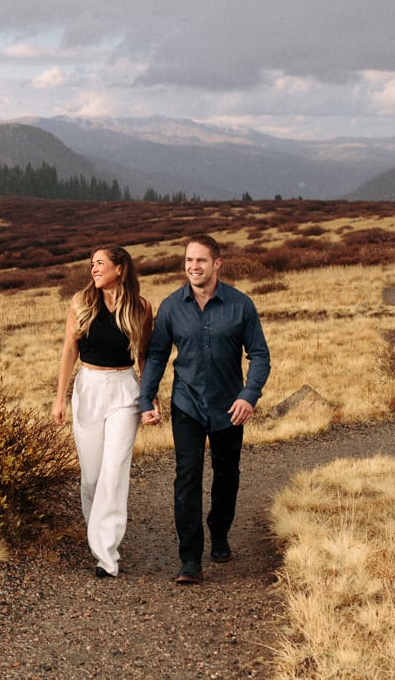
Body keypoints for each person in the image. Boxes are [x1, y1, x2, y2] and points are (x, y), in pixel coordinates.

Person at [139, 234, 270, 585]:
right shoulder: (171, 307)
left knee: (227, 475)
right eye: (188, 261)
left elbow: (259, 355)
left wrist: (249, 394)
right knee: (187, 477)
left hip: (230, 407)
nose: (193, 267)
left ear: (217, 264)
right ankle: (190, 559)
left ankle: (220, 531)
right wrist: (145, 399)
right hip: (187, 404)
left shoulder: (240, 305)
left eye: (200, 261)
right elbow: (156, 356)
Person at [53, 245, 154, 578]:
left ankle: (106, 554)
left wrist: (149, 399)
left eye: (100, 263)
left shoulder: (141, 307)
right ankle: (98, 534)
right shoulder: (81, 303)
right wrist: (60, 398)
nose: (94, 269)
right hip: (89, 388)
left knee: (114, 471)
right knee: (93, 476)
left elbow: (144, 357)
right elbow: (69, 351)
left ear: (120, 268)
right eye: (92, 264)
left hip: (124, 390)